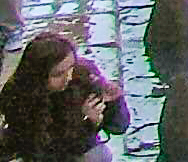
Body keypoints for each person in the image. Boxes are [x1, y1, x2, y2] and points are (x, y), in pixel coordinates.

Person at [0, 32, 129, 160]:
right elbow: (42, 151)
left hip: (77, 141)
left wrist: (114, 102)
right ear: (38, 76)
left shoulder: (84, 76)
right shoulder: (18, 95)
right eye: (57, 74)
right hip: (44, 149)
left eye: (71, 67)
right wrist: (87, 123)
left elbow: (119, 127)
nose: (68, 77)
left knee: (99, 154)